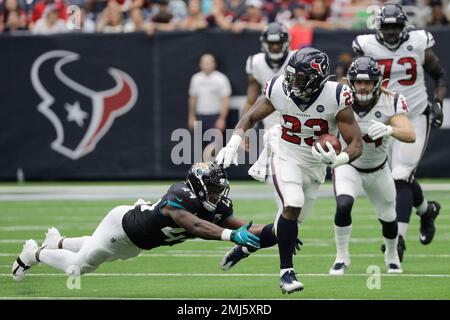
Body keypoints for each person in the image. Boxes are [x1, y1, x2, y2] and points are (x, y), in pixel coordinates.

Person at [216, 48, 363, 294]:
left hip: (316, 164)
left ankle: (246, 245)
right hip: (286, 154)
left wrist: (337, 160)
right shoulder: (278, 88)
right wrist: (233, 143)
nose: (293, 83)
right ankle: (287, 274)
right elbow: (251, 116)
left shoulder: (337, 95)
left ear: (317, 78)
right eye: (291, 76)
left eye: (300, 78)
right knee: (292, 203)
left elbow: (356, 144)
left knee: (282, 228)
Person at [11, 162, 273, 281]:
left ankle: (57, 241)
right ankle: (34, 253)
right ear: (198, 187)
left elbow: (244, 227)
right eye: (213, 190)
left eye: (219, 190)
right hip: (122, 227)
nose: (218, 196)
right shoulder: (181, 195)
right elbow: (193, 225)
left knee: (92, 246)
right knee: (78, 269)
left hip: (136, 243)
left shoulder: (215, 206)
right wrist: (229, 237)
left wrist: (279, 230)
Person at [352, 3, 447, 257]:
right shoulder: (366, 45)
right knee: (395, 175)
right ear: (378, 27)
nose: (392, 32)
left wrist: (438, 102)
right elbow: (351, 75)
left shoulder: (417, 42)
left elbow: (438, 75)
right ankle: (427, 211)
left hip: (413, 115)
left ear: (404, 26)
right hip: (382, 115)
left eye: (396, 27)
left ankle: (399, 238)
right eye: (387, 27)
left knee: (401, 175)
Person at [330, 56, 416, 275]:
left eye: (367, 81)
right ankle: (341, 256)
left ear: (378, 81)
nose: (362, 86)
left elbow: (410, 134)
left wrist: (390, 130)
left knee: (388, 216)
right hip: (349, 165)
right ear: (350, 81)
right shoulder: (339, 98)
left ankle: (392, 254)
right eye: (358, 81)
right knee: (343, 204)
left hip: (379, 169)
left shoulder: (391, 100)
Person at [243, 22, 294, 216]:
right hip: (271, 126)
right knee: (276, 175)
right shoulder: (256, 63)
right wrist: (244, 130)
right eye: (271, 44)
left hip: (297, 122)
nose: (274, 47)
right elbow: (251, 99)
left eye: (278, 43)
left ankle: (288, 214)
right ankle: (285, 215)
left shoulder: (296, 58)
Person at [188, 54, 232, 155]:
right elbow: (193, 98)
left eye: (209, 62)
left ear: (214, 64)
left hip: (215, 118)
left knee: (215, 148)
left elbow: (225, 100)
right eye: (204, 62)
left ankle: (214, 170)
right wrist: (191, 116)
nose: (207, 65)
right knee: (198, 148)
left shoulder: (221, 79)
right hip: (200, 117)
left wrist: (222, 118)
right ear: (200, 64)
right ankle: (200, 170)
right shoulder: (196, 79)